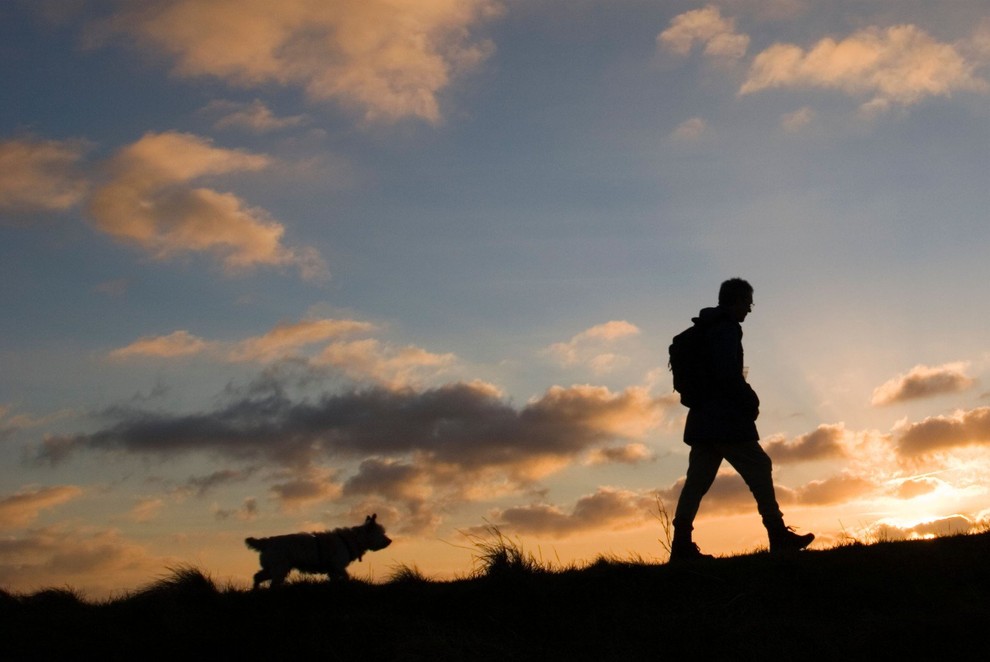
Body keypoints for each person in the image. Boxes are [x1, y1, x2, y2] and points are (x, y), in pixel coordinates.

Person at [670, 278, 814, 561]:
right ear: (735, 301)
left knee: (696, 482)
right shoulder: (726, 329)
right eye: (747, 303)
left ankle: (681, 545)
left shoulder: (705, 328)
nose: (749, 309)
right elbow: (727, 373)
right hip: (724, 417)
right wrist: (749, 398)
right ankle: (777, 534)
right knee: (759, 466)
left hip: (701, 420)